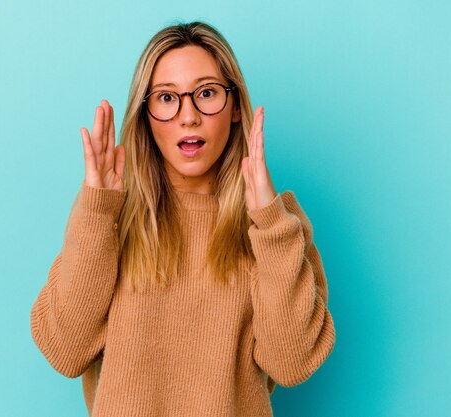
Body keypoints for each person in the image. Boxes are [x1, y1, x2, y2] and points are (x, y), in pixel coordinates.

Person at [30, 20, 336, 417]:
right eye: (166, 98)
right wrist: (96, 208)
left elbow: (291, 363)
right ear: (145, 115)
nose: (188, 115)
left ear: (236, 108)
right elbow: (65, 351)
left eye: (206, 93)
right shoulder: (109, 220)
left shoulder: (276, 228)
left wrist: (268, 219)